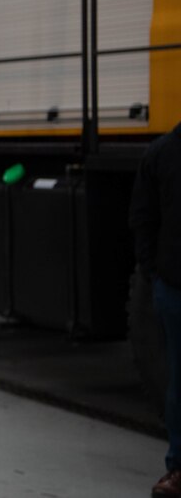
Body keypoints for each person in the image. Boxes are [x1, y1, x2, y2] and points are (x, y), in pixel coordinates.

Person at [130, 121, 181, 498]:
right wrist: (156, 273)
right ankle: (178, 468)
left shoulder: (160, 151)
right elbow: (143, 217)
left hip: (171, 284)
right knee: (180, 381)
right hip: (176, 287)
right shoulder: (163, 153)